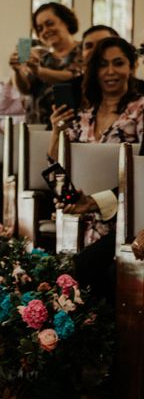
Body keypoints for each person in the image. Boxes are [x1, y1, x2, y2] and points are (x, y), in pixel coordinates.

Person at [49, 37, 143, 299]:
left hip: (128, 219)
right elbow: (55, 170)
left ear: (132, 66)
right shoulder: (84, 113)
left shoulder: (141, 110)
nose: (110, 71)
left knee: (87, 266)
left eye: (118, 63)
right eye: (102, 65)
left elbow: (140, 174)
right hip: (85, 218)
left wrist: (94, 201)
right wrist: (56, 131)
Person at [10, 2, 83, 125]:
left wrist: (37, 71)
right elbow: (25, 89)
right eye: (40, 28)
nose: (45, 31)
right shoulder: (41, 56)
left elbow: (71, 76)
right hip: (36, 127)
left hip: (69, 129)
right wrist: (17, 70)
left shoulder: (83, 50)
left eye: (49, 24)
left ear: (66, 21)